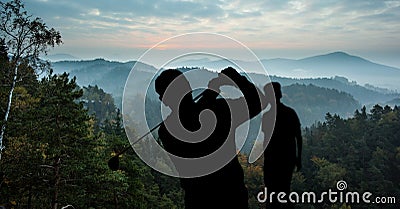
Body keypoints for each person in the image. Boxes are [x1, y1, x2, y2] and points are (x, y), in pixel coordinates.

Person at [155, 67, 266, 209]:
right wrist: (236, 79)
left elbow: (191, 116)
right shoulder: (220, 110)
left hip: (197, 199)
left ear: (163, 100)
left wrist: (211, 92)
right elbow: (258, 101)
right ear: (188, 87)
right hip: (231, 196)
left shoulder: (166, 132)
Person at [262, 82, 302, 209]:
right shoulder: (290, 113)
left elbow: (265, 140)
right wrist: (298, 158)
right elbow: (298, 137)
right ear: (280, 94)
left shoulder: (267, 116)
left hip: (272, 160)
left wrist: (265, 159)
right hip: (287, 159)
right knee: (285, 190)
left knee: (271, 194)